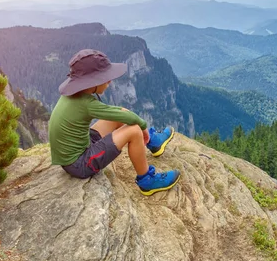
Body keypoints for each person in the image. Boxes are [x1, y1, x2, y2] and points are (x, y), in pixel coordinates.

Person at [48, 49, 180, 195]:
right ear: (92, 82)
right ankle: (147, 181)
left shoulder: (74, 95)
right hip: (80, 164)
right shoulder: (86, 104)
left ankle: (153, 142)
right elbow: (131, 120)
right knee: (134, 131)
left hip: (79, 148)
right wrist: (142, 127)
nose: (110, 81)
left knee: (119, 115)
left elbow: (119, 113)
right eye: (105, 78)